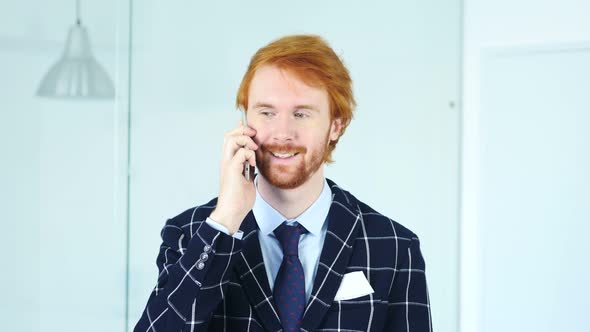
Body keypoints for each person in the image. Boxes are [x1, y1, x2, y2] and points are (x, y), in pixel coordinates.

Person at [134, 34, 432, 332]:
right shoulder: (190, 235)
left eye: (301, 114)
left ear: (336, 125)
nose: (282, 132)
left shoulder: (395, 247)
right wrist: (226, 221)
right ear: (244, 120)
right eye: (266, 112)